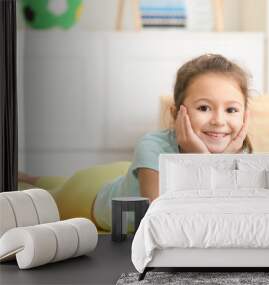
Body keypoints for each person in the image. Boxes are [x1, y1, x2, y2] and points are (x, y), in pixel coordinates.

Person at [18, 54, 253, 231]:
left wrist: (223, 162)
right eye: (204, 107)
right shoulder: (152, 145)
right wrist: (200, 160)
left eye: (231, 109)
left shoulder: (239, 154)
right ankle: (27, 179)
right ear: (176, 113)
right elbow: (159, 218)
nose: (219, 121)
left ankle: (30, 176)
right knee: (44, 197)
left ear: (245, 115)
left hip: (126, 174)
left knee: (56, 182)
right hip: (87, 196)